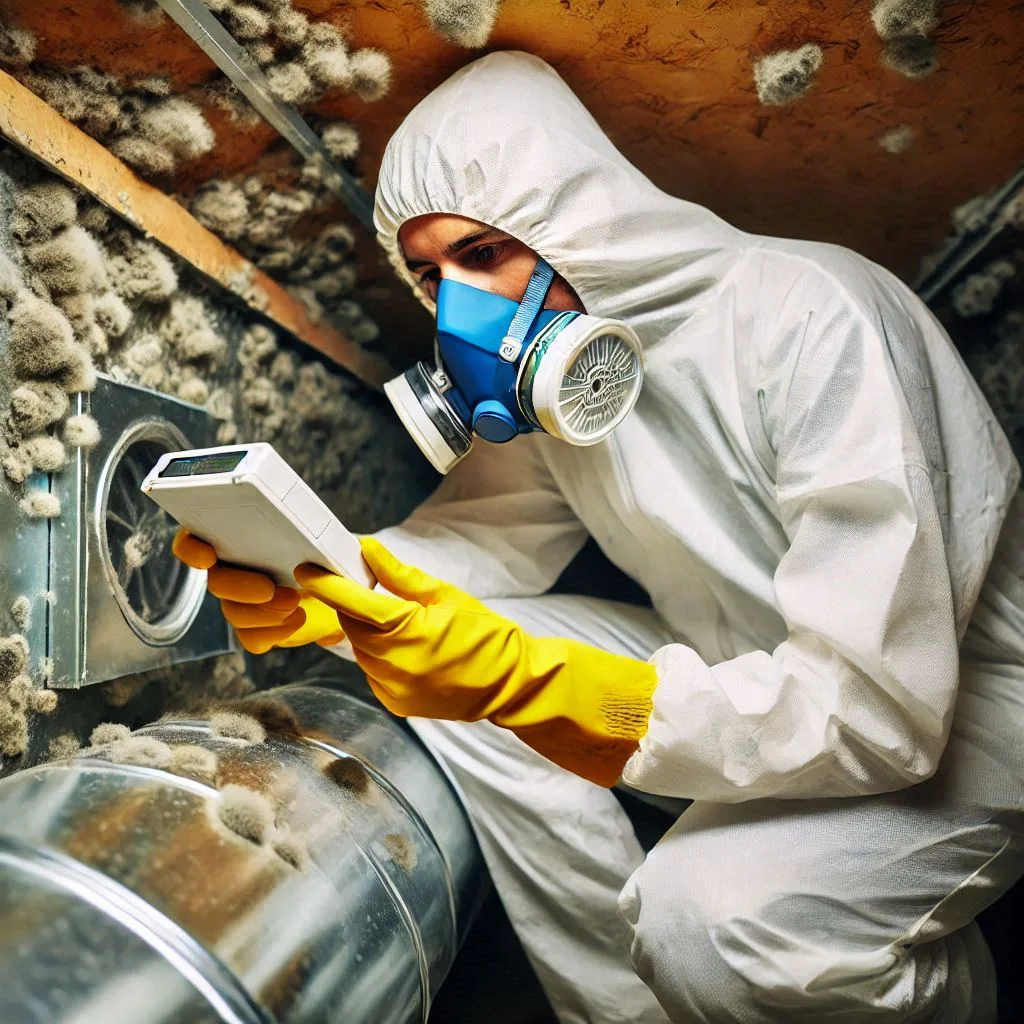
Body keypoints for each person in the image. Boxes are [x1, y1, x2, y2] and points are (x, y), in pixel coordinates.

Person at [174, 51, 1024, 1024]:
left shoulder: (810, 315)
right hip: (746, 674)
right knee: (446, 668)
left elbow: (880, 708)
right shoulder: (562, 401)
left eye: (483, 253)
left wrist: (541, 684)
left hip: (957, 714)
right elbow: (468, 557)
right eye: (428, 274)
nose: (458, 310)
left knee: (703, 922)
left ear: (572, 216)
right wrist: (319, 586)